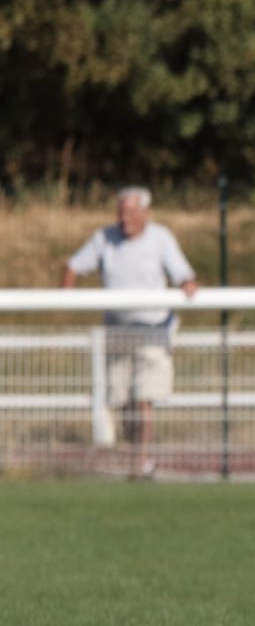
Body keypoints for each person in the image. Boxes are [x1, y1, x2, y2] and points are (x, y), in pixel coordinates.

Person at [62, 187, 198, 477]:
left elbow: (183, 274)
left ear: (145, 213)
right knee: (122, 399)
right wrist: (65, 296)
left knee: (144, 397)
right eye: (121, 213)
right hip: (118, 332)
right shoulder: (105, 238)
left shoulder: (161, 238)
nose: (125, 220)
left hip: (153, 331)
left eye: (131, 213)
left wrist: (187, 283)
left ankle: (140, 461)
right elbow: (73, 265)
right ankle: (133, 453)